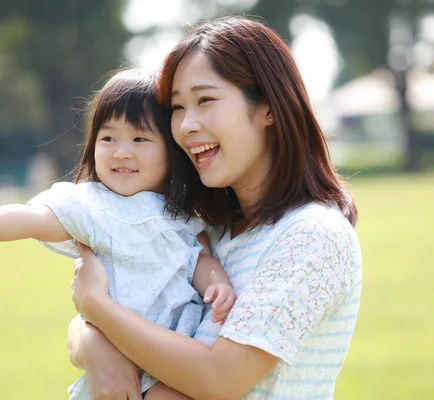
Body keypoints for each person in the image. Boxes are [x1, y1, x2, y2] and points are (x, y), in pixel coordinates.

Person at [68, 17, 363, 400]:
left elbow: (218, 379)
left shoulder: (312, 236)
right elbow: (129, 317)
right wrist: (91, 343)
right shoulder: (207, 233)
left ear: (268, 107)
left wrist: (96, 306)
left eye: (205, 100)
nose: (186, 125)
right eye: (177, 107)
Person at [0, 70, 237, 399]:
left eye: (139, 139)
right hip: (113, 362)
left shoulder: (182, 213)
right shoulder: (91, 205)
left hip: (173, 359)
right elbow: (31, 218)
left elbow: (200, 258)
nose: (121, 152)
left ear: (171, 151)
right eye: (108, 139)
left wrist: (216, 284)